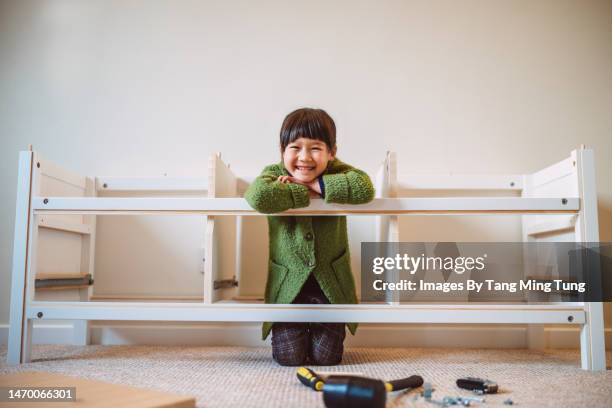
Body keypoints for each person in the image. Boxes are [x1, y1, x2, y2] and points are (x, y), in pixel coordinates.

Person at [244, 108, 375, 366]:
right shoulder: (273, 172)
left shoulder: (338, 171)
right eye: (295, 147)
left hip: (330, 286)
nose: (305, 157)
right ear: (282, 150)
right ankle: (297, 331)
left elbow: (365, 188)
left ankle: (320, 330)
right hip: (288, 289)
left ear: (331, 152)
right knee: (288, 358)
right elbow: (258, 196)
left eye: (315, 148)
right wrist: (304, 193)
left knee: (327, 359)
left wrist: (316, 185)